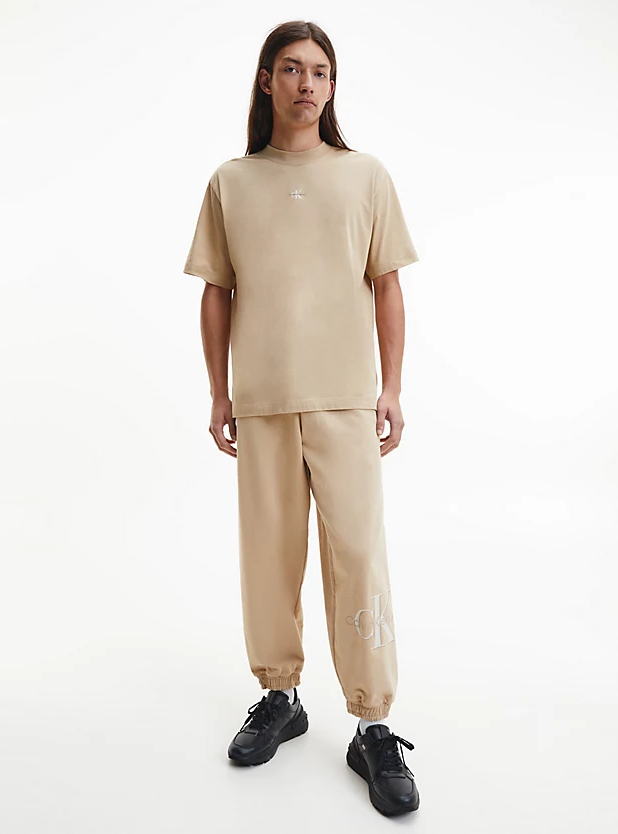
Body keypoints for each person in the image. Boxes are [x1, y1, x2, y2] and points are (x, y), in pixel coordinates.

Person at [183, 20, 421, 817]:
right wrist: (218, 393)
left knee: (358, 557)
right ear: (266, 80)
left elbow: (386, 285)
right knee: (269, 558)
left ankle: (372, 724)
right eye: (290, 69)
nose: (306, 83)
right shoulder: (231, 182)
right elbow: (216, 292)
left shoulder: (363, 176)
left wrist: (392, 388)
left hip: (347, 399)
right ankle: (279, 697)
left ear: (331, 85)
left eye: (320, 71)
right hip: (262, 399)